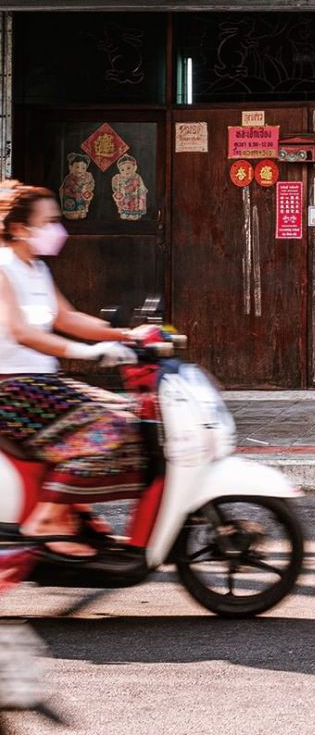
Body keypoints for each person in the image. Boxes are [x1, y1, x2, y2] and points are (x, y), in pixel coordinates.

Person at [0, 185, 143, 557]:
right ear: (18, 228)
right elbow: (20, 332)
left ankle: (72, 511)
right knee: (108, 427)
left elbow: (66, 317)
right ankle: (49, 518)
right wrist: (89, 353)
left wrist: (123, 336)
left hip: (42, 383)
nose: (56, 230)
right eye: (47, 222)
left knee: (133, 416)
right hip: (12, 389)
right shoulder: (2, 267)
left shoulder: (37, 268)